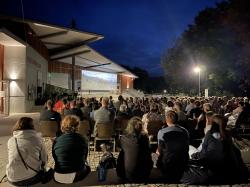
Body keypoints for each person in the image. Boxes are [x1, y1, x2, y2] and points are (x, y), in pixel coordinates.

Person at [6, 117, 49, 186]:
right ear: (32, 126)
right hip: (30, 178)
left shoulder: (11, 140)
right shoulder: (37, 140)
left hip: (11, 178)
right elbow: (44, 159)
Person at [52, 115, 90, 183]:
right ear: (77, 126)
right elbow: (85, 157)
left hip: (58, 176)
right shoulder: (82, 139)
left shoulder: (56, 140)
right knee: (88, 168)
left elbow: (55, 158)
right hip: (76, 175)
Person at [156, 110, 189, 183]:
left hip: (167, 163)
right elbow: (186, 147)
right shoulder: (185, 131)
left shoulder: (162, 132)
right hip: (182, 162)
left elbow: (159, 150)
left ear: (166, 120)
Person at [116, 117, 153, 182]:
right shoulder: (144, 138)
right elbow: (147, 152)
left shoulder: (124, 138)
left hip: (126, 174)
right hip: (143, 174)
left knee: (123, 152)